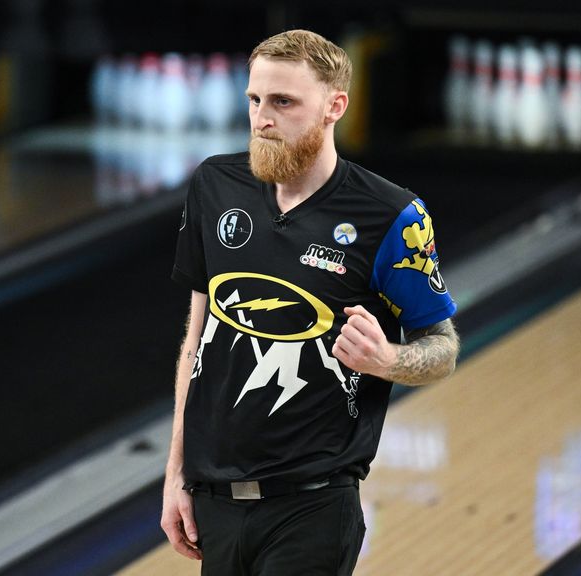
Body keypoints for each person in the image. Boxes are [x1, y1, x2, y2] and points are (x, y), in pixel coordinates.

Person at [161, 29, 460, 575]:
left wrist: (387, 360)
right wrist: (176, 471)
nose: (261, 118)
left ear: (333, 107)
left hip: (314, 508)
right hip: (216, 501)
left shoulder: (393, 216)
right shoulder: (215, 185)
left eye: (283, 102)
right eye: (254, 99)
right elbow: (196, 340)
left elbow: (442, 347)